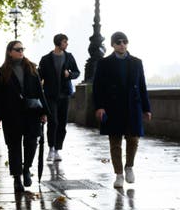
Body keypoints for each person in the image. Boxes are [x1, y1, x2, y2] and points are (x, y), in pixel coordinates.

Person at [93, 32, 152, 189]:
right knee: (115, 142)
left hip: (133, 106)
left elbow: (142, 86)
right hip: (112, 107)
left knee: (134, 139)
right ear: (112, 44)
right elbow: (97, 87)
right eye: (118, 42)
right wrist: (99, 106)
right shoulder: (104, 63)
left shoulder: (136, 62)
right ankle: (119, 174)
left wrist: (147, 108)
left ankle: (129, 166)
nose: (122, 44)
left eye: (125, 41)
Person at [0, 41, 48, 193]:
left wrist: (44, 112)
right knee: (14, 146)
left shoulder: (31, 68)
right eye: (17, 49)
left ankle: (26, 168)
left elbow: (39, 91)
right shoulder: (3, 71)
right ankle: (17, 178)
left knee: (32, 142)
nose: (20, 51)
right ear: (10, 52)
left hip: (31, 112)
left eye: (22, 49)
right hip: (11, 114)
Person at [38, 33, 80, 161]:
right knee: (53, 122)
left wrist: (70, 74)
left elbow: (77, 72)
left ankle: (57, 149)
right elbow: (39, 77)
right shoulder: (45, 59)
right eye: (65, 42)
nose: (67, 44)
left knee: (62, 123)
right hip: (50, 95)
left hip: (65, 95)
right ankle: (51, 149)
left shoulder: (69, 57)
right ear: (58, 43)